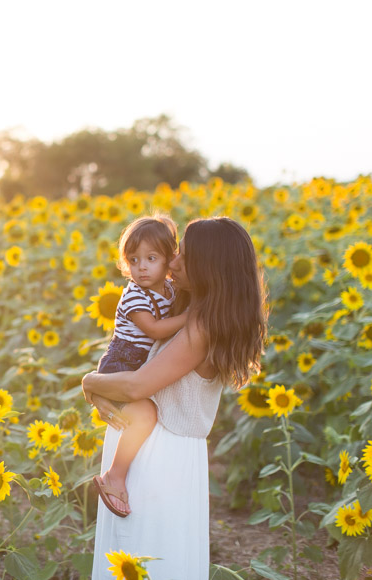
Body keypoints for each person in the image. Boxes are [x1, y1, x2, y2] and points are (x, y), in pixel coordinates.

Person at [82, 217, 267, 580]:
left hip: (160, 457)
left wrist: (90, 381)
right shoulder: (194, 314)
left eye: (184, 253)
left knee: (145, 559)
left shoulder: (201, 326)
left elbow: (137, 388)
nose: (174, 261)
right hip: (149, 446)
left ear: (209, 267)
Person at [92, 215, 189, 519]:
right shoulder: (134, 294)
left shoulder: (171, 290)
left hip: (140, 365)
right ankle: (114, 476)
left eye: (151, 258)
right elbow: (156, 330)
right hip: (122, 364)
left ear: (169, 259)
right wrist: (194, 317)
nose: (141, 267)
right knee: (144, 414)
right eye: (133, 259)